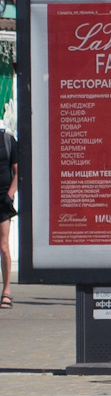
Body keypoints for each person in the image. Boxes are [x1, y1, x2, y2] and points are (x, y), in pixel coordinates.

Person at [0, 123, 17, 309]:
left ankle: (6, 291)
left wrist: (10, 195)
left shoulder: (7, 140)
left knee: (3, 246)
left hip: (2, 200)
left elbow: (17, 171)